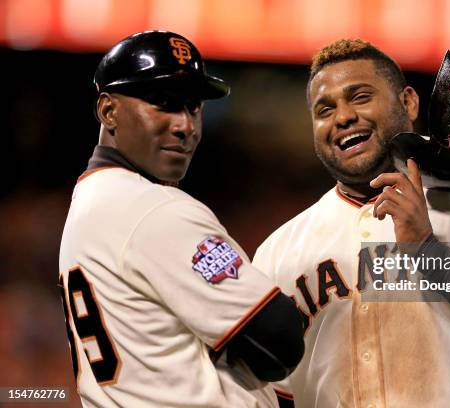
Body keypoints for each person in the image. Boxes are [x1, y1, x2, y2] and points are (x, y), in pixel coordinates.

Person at [253, 39, 450, 407]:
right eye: (325, 109)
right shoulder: (278, 252)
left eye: (359, 97)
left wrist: (427, 251)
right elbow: (276, 394)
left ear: (409, 102)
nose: (342, 117)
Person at [58, 30, 304, 408]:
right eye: (164, 103)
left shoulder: (89, 202)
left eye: (193, 107)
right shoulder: (151, 207)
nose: (185, 125)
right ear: (108, 111)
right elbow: (280, 342)